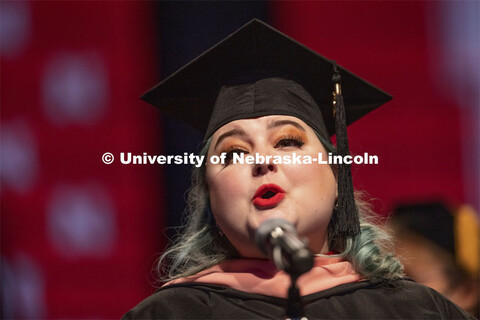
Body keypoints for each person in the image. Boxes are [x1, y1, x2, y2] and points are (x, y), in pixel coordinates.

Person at [123, 19, 474, 319]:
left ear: (337, 177)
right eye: (232, 152)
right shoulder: (169, 314)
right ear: (210, 198)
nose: (262, 161)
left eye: (287, 142)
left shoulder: (416, 312)